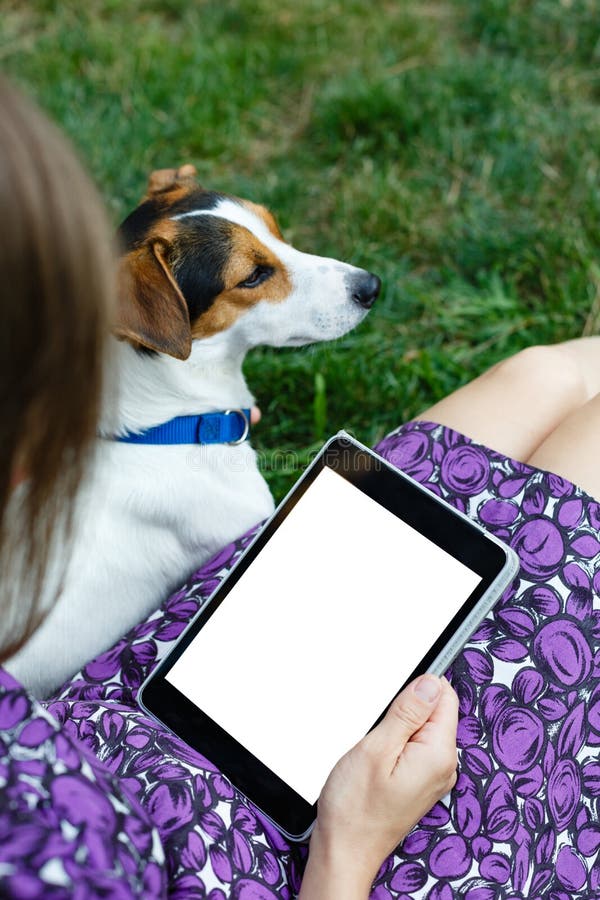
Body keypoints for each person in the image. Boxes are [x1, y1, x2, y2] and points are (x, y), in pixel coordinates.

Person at [1, 76, 599, 898]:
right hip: (299, 820)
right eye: (257, 275)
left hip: (165, 682)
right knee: (565, 469)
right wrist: (350, 848)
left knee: (542, 374)